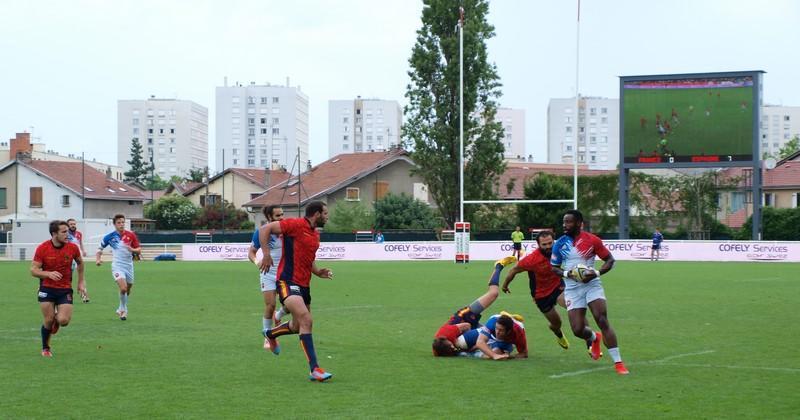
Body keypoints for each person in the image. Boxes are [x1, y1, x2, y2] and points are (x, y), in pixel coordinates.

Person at [259, 201, 335, 382]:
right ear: (316, 214)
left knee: (296, 326)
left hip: (304, 285)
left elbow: (308, 259)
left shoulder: (315, 235)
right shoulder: (295, 224)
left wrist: (317, 272)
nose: (327, 216)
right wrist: (266, 254)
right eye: (325, 213)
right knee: (306, 320)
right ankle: (314, 369)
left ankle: (270, 334)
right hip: (287, 281)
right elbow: (265, 230)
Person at [550, 210, 629, 375]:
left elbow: (610, 260)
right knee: (578, 330)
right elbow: (554, 268)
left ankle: (619, 363)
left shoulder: (592, 240)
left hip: (592, 284)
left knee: (602, 319)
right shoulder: (559, 244)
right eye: (564, 222)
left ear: (579, 223)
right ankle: (594, 338)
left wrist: (597, 273)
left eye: (569, 222)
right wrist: (568, 274)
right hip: (572, 288)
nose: (565, 225)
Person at [432, 256, 522, 360]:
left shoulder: (446, 333)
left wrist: (471, 342)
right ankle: (507, 320)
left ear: (448, 341)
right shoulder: (439, 349)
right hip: (467, 329)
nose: (453, 348)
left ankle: (498, 266)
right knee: (493, 334)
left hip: (466, 315)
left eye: (452, 346)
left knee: (493, 293)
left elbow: (467, 325)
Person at [502, 230, 570, 350]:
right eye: (544, 244)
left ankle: (589, 339)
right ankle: (559, 334)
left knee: (571, 304)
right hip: (541, 295)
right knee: (556, 324)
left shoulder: (559, 250)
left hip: (557, 286)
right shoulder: (532, 259)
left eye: (550, 243)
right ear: (538, 244)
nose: (548, 246)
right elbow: (513, 270)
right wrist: (505, 285)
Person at [31, 220, 86, 357]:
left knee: (63, 321)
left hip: (64, 289)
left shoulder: (72, 247)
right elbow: (33, 270)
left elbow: (80, 263)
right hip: (47, 288)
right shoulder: (43, 248)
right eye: (64, 232)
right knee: (48, 320)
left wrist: (81, 282)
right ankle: (46, 348)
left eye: (67, 231)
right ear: (54, 233)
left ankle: (57, 319)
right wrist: (47, 273)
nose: (67, 234)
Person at [248, 205, 288, 350]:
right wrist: (257, 262)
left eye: (282, 214)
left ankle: (279, 316)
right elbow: (251, 252)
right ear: (269, 218)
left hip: (285, 273)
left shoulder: (288, 230)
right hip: (268, 274)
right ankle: (268, 337)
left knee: (289, 306)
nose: (281, 218)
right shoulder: (261, 232)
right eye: (277, 216)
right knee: (270, 305)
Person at [96, 214, 141, 321]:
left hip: (129, 266)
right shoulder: (109, 237)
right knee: (123, 288)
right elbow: (99, 248)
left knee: (128, 289)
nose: (121, 224)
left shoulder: (131, 235)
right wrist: (98, 259)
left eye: (123, 222)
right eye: (119, 223)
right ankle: (123, 310)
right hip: (117, 266)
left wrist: (132, 250)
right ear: (114, 224)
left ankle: (121, 306)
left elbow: (138, 249)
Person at [66, 218, 90, 303]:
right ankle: (67, 295)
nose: (73, 225)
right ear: (67, 225)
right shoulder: (65, 234)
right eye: (71, 224)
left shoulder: (79, 234)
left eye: (74, 224)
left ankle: (84, 295)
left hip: (78, 257)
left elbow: (80, 243)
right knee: (68, 277)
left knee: (81, 276)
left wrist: (83, 250)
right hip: (68, 258)